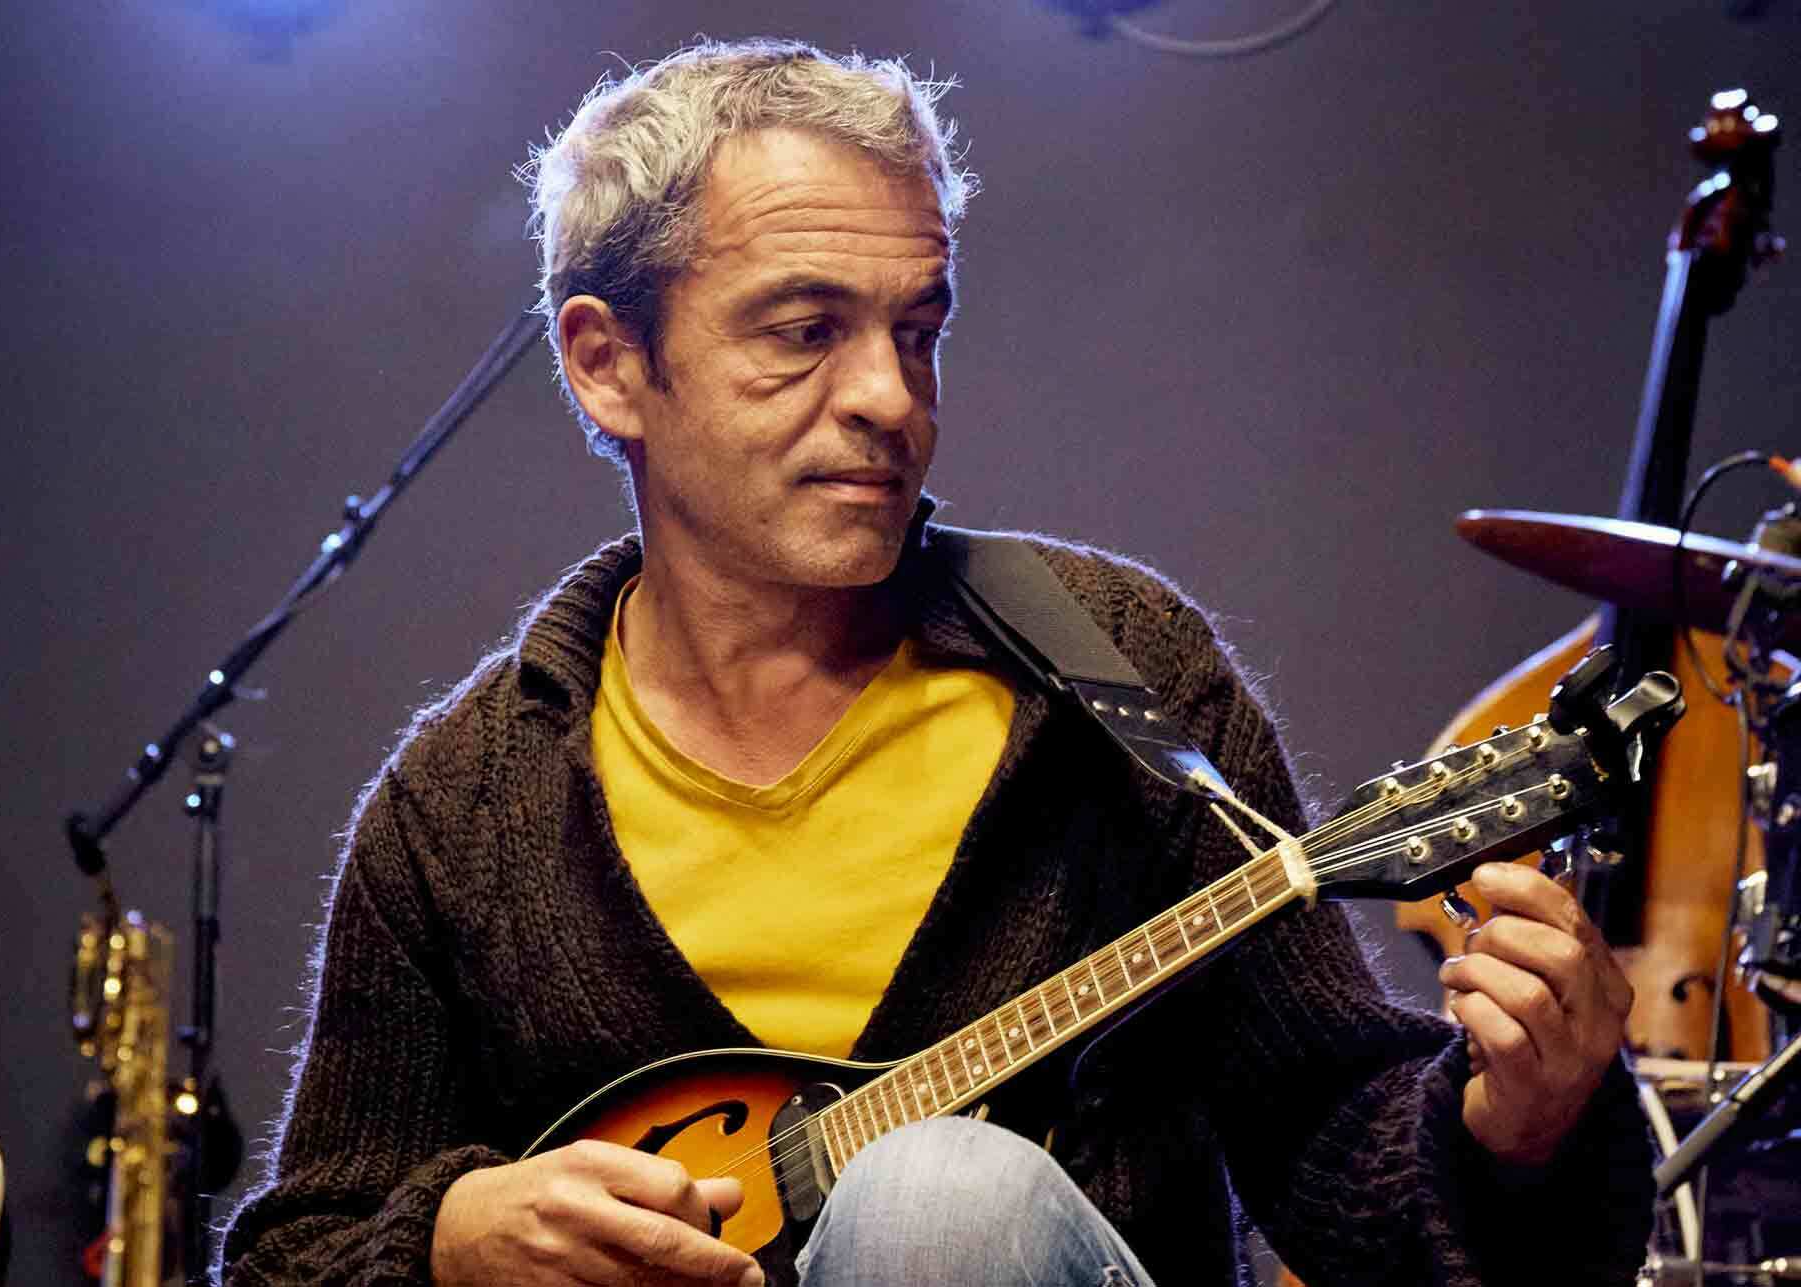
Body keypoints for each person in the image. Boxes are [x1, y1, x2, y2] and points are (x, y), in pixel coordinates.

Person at [217, 37, 1654, 1287]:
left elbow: (1339, 1159)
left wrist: (1515, 1132)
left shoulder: (1114, 677)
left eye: (918, 332)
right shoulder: (466, 807)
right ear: (607, 364)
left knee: (935, 1203)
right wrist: (449, 1240)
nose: (889, 398)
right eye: (804, 332)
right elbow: (291, 1252)